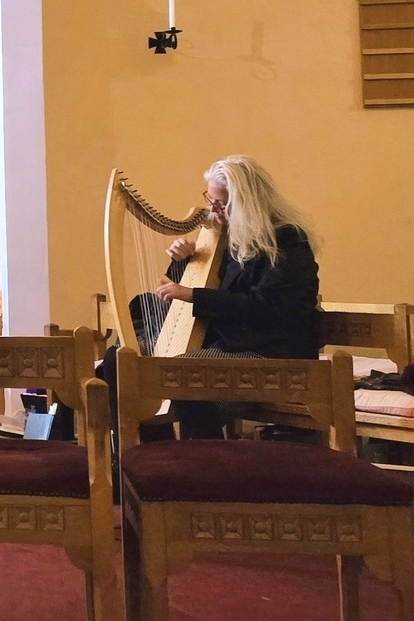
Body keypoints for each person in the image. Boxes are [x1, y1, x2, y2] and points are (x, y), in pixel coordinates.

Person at [60, 156, 320, 443]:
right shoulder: (228, 237)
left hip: (272, 351)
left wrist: (192, 295)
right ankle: (152, 455)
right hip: (227, 342)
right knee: (120, 359)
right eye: (211, 200)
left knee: (184, 372)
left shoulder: (287, 241)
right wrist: (185, 261)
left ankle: (208, 465)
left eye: (222, 204)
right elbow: (193, 291)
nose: (213, 210)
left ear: (247, 202)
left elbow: (266, 308)